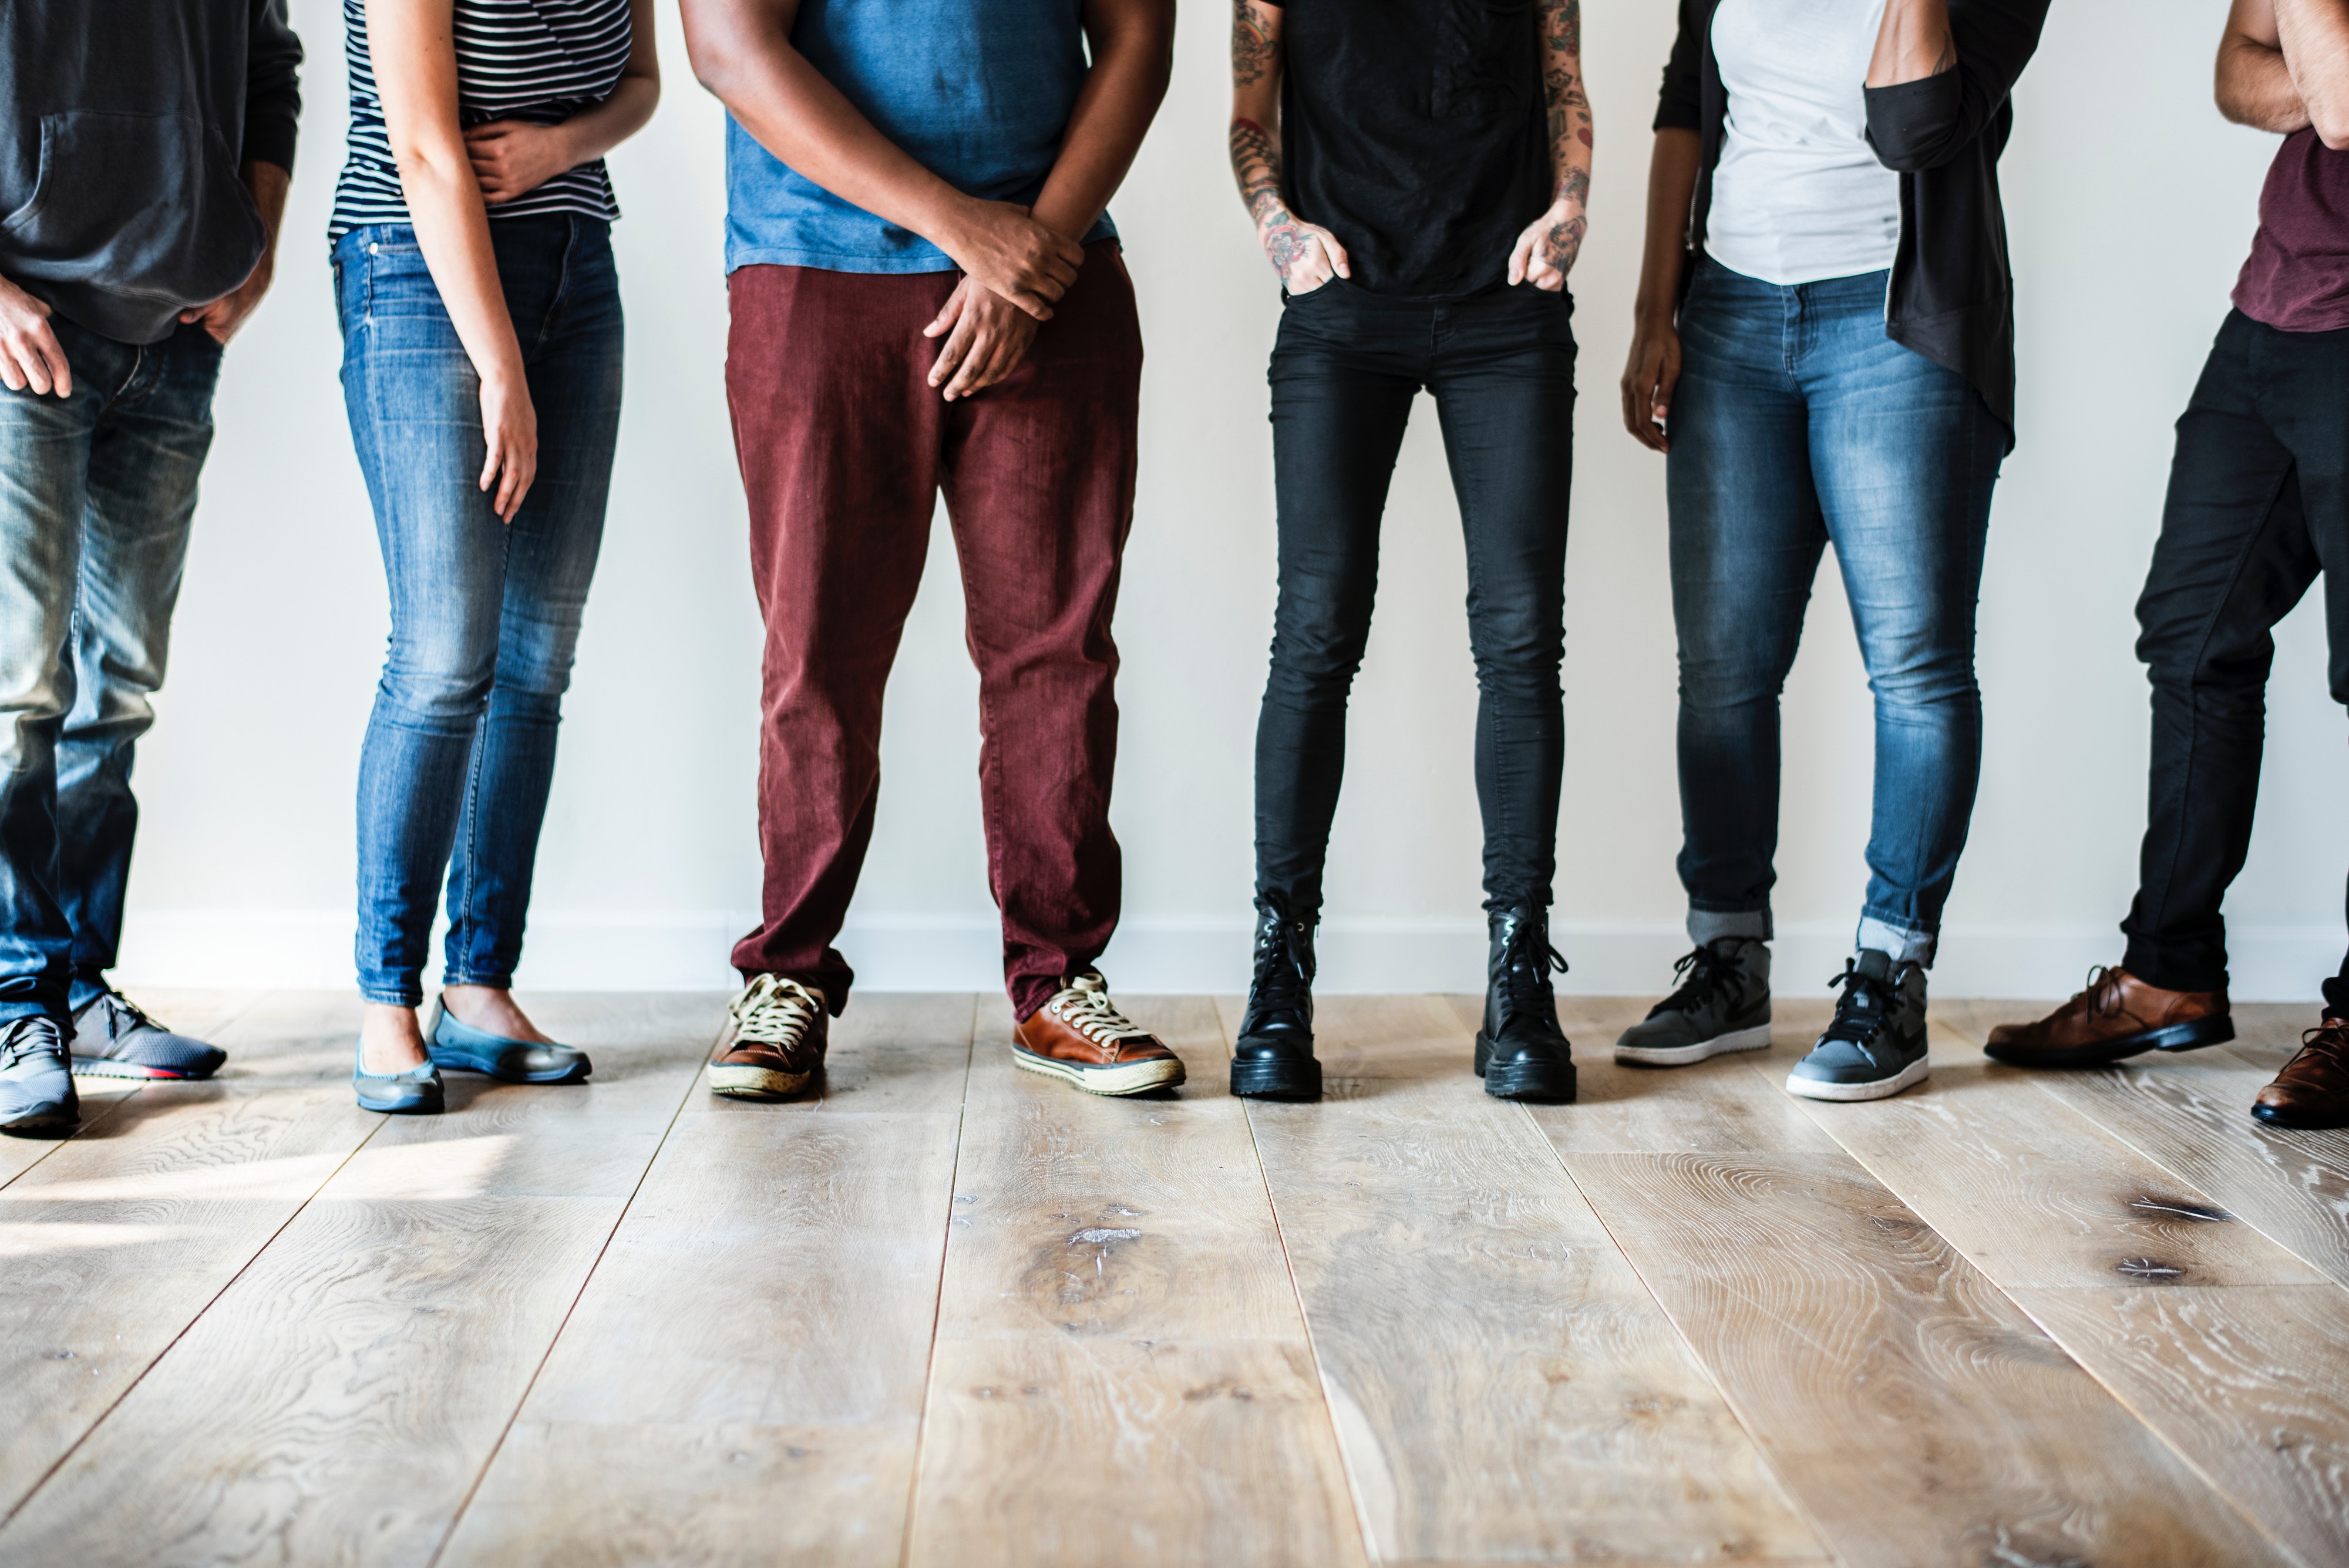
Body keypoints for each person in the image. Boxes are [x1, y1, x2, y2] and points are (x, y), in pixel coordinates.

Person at [678, 0, 1178, 1100]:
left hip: (1054, 274)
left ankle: (1057, 983)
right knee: (819, 652)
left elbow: (1138, 40)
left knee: (1059, 654)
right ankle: (788, 976)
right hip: (817, 264)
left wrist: (1025, 250)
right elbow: (727, 48)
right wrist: (966, 229)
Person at [1613, 0, 2047, 1102]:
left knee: (1914, 664)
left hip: (1896, 322)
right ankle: (1729, 961)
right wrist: (1656, 306)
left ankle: (1891, 975)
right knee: (1722, 670)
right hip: (1732, 318)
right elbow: (1685, 106)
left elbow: (1913, 128)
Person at [1987, 0, 2349, 1129]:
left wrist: (2306, 49)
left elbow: (2335, 103)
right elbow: (2238, 74)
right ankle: (2169, 969)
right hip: (2274, 313)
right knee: (2192, 633)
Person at [1224, 0, 1592, 1104]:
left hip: (1507, 310)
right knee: (1317, 627)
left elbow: (1567, 85)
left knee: (1522, 637)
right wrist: (1281, 232)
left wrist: (1573, 206)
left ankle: (1519, 980)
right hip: (1342, 312)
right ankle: (1280, 980)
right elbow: (1250, 115)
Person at [335, 0, 658, 1115]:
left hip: (577, 267)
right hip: (421, 270)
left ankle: (478, 985)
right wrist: (499, 366)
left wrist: (559, 147)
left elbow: (644, 85)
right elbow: (425, 148)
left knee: (535, 658)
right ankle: (390, 1000)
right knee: (443, 653)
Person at [0, 1, 304, 1136]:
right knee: (19, 691)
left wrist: (257, 245)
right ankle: (12, 1000)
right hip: (26, 332)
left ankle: (72, 987)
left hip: (176, 341)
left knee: (115, 687)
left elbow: (272, 64)